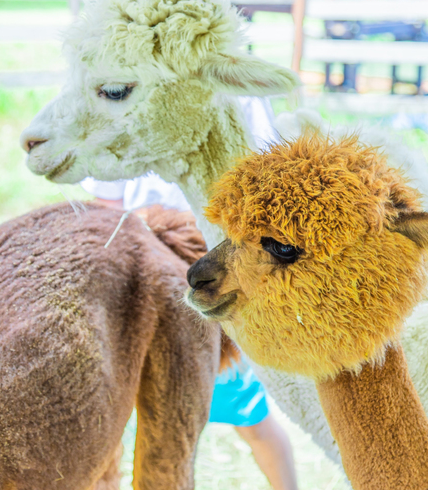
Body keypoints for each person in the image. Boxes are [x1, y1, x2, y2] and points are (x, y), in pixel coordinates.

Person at [80, 97, 299, 490]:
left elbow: (266, 185)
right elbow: (105, 205)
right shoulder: (122, 101)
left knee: (245, 412)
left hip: (213, 274)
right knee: (118, 414)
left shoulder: (234, 97)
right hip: (143, 273)